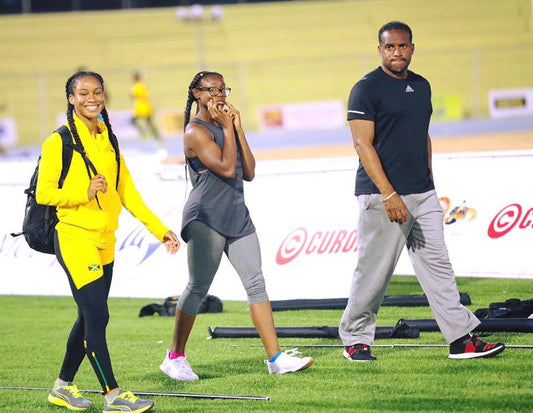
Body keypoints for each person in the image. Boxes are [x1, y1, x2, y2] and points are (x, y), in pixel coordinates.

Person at [339, 21, 505, 362]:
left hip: (423, 193)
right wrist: (389, 194)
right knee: (374, 272)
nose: (397, 52)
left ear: (412, 48)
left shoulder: (421, 86)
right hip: (381, 196)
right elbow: (362, 144)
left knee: (439, 267)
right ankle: (355, 339)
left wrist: (429, 181)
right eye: (390, 47)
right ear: (380, 50)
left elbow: (421, 135)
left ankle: (461, 338)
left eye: (403, 46)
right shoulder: (365, 89)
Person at [36, 70, 181, 413]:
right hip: (74, 237)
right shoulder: (58, 141)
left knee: (88, 318)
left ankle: (62, 388)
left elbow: (127, 192)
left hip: (105, 241)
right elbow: (44, 193)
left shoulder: (108, 138)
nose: (91, 98)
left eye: (97, 92)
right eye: (83, 93)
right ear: (71, 99)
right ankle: (113, 394)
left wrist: (159, 229)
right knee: (98, 317)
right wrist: (81, 192)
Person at [159, 71, 314, 380]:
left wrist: (238, 127)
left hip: (236, 214)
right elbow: (228, 168)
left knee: (256, 284)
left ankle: (276, 359)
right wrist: (229, 127)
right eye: (211, 89)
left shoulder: (226, 126)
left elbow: (250, 171)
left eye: (223, 89)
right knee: (198, 287)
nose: (219, 95)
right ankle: (174, 356)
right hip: (205, 216)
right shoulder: (195, 131)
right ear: (197, 94)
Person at [130, 71, 162, 144]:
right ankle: (156, 137)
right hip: (146, 107)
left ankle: (145, 133)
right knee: (149, 123)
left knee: (133, 121)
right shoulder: (142, 85)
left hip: (141, 108)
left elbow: (134, 95)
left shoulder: (137, 86)